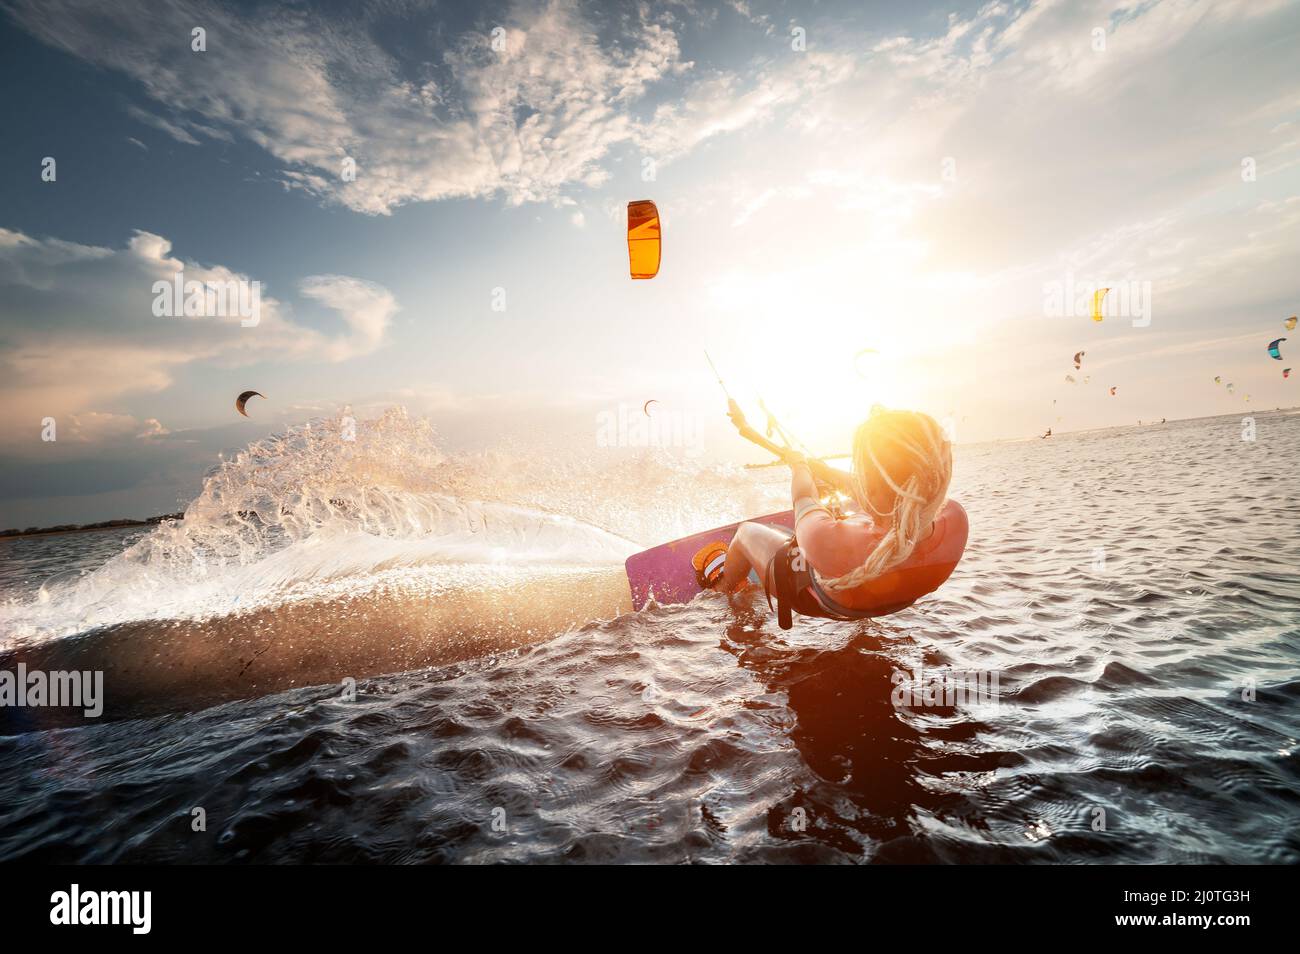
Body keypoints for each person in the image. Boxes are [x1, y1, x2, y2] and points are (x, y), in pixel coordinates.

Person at [692, 404, 966, 629]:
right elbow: (884, 492)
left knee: (745, 532)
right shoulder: (955, 520)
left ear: (868, 484)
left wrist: (799, 466)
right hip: (876, 600)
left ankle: (725, 588)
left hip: (809, 598)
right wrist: (818, 468)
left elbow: (803, 496)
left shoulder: (828, 540)